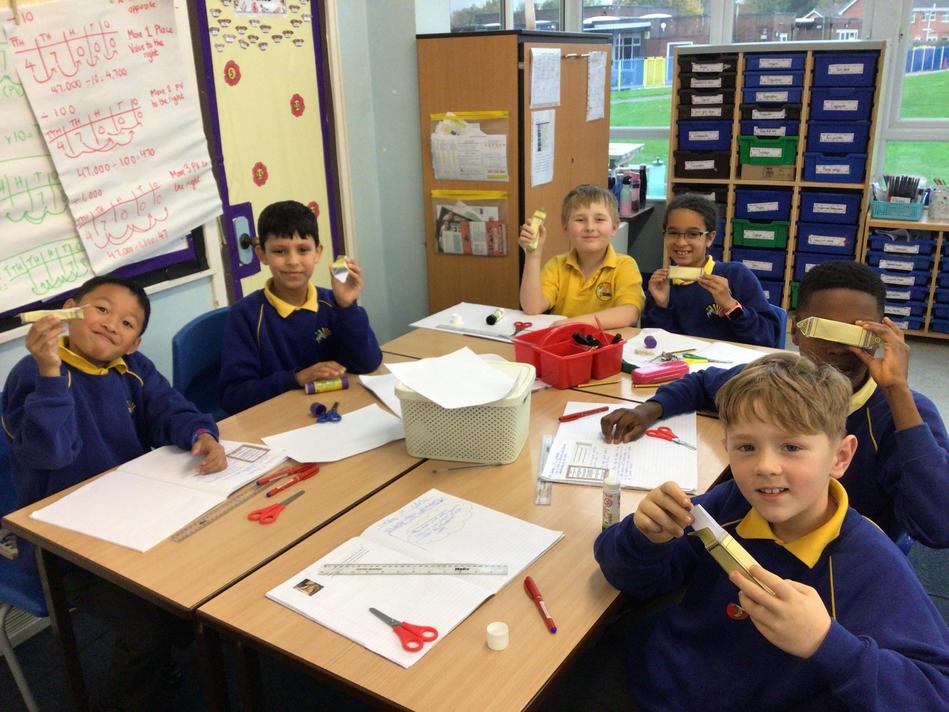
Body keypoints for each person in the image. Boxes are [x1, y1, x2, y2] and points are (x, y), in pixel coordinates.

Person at [595, 354, 949, 710]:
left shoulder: (869, 564)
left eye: (791, 447)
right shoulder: (730, 503)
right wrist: (644, 539)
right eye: (746, 447)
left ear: (840, 457)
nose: (765, 467)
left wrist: (827, 643)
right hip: (658, 677)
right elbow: (631, 579)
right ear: (727, 449)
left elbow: (936, 692)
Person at [601, 261, 949, 548]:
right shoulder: (778, 384)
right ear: (795, 332)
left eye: (856, 336)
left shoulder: (905, 413)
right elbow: (702, 383)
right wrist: (647, 410)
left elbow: (939, 528)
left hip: (850, 560)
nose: (838, 348)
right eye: (823, 330)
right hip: (764, 538)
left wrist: (897, 390)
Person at [2, 274, 227, 711]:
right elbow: (51, 452)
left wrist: (201, 433)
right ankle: (123, 698)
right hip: (64, 546)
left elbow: (170, 408)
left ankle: (161, 664)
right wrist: (50, 372)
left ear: (134, 342)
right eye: (101, 309)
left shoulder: (132, 367)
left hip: (133, 519)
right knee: (147, 630)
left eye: (126, 323)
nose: (110, 324)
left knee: (198, 578)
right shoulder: (33, 373)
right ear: (70, 310)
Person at [219, 200, 382, 413]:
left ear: (318, 252)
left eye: (303, 250)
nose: (293, 261)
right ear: (262, 255)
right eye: (280, 251)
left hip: (334, 411)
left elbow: (367, 363)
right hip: (276, 420)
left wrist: (347, 307)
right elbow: (234, 396)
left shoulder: (332, 303)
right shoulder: (245, 315)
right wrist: (295, 378)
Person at [642, 193, 780, 346]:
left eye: (693, 234)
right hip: (680, 360)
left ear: (709, 238)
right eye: (673, 233)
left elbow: (768, 338)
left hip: (730, 360)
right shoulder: (662, 283)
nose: (681, 242)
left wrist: (731, 306)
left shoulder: (735, 275)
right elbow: (652, 344)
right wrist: (661, 306)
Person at [518, 184, 645, 329]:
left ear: (614, 227)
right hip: (565, 340)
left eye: (599, 219)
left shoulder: (625, 265)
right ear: (565, 228)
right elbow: (532, 307)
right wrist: (533, 255)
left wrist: (575, 323)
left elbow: (630, 312)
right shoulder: (556, 265)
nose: (590, 227)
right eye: (580, 220)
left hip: (604, 341)